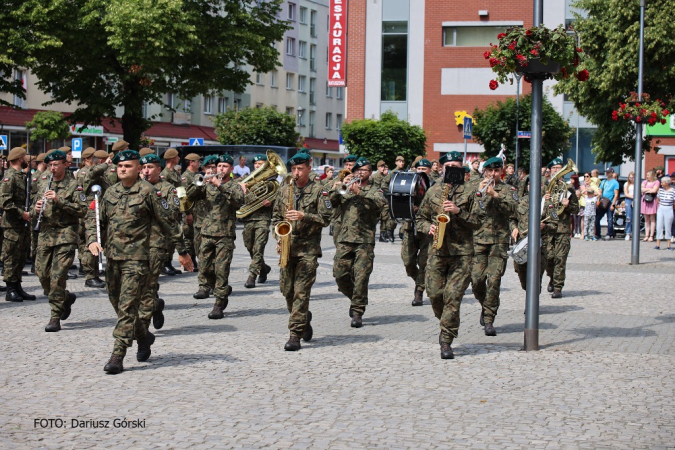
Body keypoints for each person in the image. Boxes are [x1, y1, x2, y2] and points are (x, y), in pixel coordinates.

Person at [86, 150, 193, 374]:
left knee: (126, 308)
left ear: (137, 169)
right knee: (117, 305)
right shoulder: (110, 193)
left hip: (138, 259)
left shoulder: (149, 192)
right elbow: (95, 220)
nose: (123, 169)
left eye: (128, 166)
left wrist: (182, 252)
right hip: (113, 258)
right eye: (120, 166)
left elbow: (169, 223)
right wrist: (92, 240)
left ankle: (117, 355)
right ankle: (144, 336)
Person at [416, 151, 480, 359]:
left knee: (452, 297)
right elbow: (420, 218)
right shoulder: (434, 191)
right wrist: (428, 228)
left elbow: (479, 220)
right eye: (449, 165)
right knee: (434, 294)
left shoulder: (470, 191)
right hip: (437, 251)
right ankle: (446, 321)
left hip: (462, 253)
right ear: (442, 168)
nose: (454, 168)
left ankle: (446, 340)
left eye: (457, 164)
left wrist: (459, 212)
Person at [273, 152, 332, 351]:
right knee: (287, 291)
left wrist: (304, 215)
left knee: (301, 293)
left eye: (300, 169)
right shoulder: (284, 189)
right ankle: (304, 319)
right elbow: (275, 217)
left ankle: (294, 335)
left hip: (308, 250)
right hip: (288, 248)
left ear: (309, 168)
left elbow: (326, 218)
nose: (296, 173)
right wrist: (279, 237)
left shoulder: (319, 190)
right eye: (294, 169)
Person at [186, 154, 246, 320]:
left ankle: (219, 303)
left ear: (231, 169)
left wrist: (219, 185)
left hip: (225, 234)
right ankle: (221, 290)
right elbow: (190, 196)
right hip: (206, 232)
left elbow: (239, 201)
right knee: (204, 268)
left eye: (225, 166)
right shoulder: (208, 184)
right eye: (219, 166)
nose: (220, 169)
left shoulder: (235, 185)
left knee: (221, 270)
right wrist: (201, 183)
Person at [33, 150, 88, 332]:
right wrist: (36, 207)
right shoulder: (43, 181)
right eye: (50, 165)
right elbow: (35, 203)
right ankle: (64, 297)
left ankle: (55, 316)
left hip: (65, 234)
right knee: (42, 274)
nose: (53, 168)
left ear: (65, 164)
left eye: (56, 164)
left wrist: (58, 200)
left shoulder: (74, 185)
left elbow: (81, 210)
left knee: (57, 277)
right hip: (46, 234)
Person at [329, 157, 386, 328]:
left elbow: (380, 204)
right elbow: (330, 202)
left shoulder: (375, 189)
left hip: (364, 240)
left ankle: (357, 311)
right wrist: (339, 186)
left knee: (361, 277)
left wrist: (359, 192)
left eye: (364, 170)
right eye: (357, 170)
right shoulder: (346, 186)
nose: (360, 173)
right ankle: (355, 299)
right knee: (340, 275)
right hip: (345, 238)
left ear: (370, 173)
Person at [470, 157, 517, 336]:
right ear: (484, 171)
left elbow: (515, 208)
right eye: (489, 171)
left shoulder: (507, 189)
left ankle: (489, 318)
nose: (492, 174)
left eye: (496, 171)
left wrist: (495, 195)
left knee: (494, 280)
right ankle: (485, 305)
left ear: (501, 172)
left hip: (499, 241)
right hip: (478, 239)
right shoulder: (474, 186)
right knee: (476, 280)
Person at [139, 153, 182, 331]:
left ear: (158, 169)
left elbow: (172, 213)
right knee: (141, 284)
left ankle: (142, 329)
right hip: (135, 244)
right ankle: (155, 305)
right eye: (143, 168)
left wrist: (149, 190)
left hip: (157, 243)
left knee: (148, 284)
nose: (146, 171)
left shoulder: (168, 189)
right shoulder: (135, 187)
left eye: (150, 167)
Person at [542, 158, 579, 298]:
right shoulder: (544, 188)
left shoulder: (568, 188)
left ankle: (558, 287)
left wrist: (568, 204)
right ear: (550, 170)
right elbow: (537, 209)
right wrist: (544, 200)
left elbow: (576, 209)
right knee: (548, 258)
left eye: (559, 168)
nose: (557, 171)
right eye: (554, 168)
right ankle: (551, 276)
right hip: (548, 228)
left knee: (560, 258)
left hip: (562, 229)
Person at [1, 147, 35, 301]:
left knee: (21, 256)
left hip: (22, 224)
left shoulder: (22, 176)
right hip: (12, 224)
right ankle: (10, 289)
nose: (27, 160)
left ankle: (17, 285)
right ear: (20, 159)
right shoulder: (10, 177)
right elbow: (5, 202)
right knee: (11, 256)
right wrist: (23, 213)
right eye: (25, 157)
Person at [401, 159, 433, 307]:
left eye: (424, 168)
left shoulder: (435, 185)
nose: (421, 171)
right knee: (408, 262)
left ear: (430, 170)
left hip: (427, 229)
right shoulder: (409, 183)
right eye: (418, 168)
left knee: (424, 263)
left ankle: (419, 291)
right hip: (409, 226)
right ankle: (421, 281)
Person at [510, 176, 546, 292]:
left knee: (535, 275)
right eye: (530, 184)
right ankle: (529, 294)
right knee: (521, 273)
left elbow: (554, 223)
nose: (533, 186)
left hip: (540, 244)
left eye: (537, 184)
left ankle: (531, 306)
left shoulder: (546, 202)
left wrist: (545, 226)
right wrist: (514, 228)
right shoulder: (520, 201)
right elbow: (512, 219)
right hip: (522, 242)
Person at [242, 154, 273, 289]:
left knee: (258, 248)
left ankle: (252, 276)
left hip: (263, 219)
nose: (258, 166)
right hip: (249, 218)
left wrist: (270, 202)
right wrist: (241, 188)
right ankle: (264, 267)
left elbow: (279, 199)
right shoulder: (245, 179)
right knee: (250, 248)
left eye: (261, 163)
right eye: (256, 164)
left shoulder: (271, 182)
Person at [191, 155, 219, 299]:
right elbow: (190, 196)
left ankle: (212, 285)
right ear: (203, 169)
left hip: (217, 228)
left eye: (214, 167)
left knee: (214, 259)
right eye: (208, 168)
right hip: (199, 225)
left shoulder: (222, 183)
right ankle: (203, 286)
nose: (211, 170)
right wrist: (201, 184)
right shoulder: (198, 180)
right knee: (201, 257)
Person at [161, 148, 183, 275]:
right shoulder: (165, 174)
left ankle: (169, 262)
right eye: (176, 156)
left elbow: (180, 190)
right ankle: (164, 263)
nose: (178, 158)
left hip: (177, 208)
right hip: (169, 209)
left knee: (174, 237)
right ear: (171, 159)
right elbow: (164, 193)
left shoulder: (175, 172)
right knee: (167, 238)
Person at [329, 154, 358, 246]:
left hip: (355, 220)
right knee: (339, 249)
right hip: (339, 220)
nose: (348, 167)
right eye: (346, 165)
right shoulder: (336, 180)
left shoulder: (359, 180)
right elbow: (326, 196)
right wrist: (335, 188)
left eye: (350, 165)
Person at [180, 153, 202, 267]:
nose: (199, 163)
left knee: (196, 237)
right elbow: (182, 197)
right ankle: (190, 261)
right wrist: (188, 213)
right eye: (197, 161)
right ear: (191, 162)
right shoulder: (185, 177)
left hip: (197, 211)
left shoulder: (196, 175)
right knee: (189, 238)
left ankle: (194, 260)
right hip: (190, 211)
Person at [594, 169, 619, 240]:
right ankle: (598, 234)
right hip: (603, 201)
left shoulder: (615, 183)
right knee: (597, 218)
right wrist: (597, 199)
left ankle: (609, 234)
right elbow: (600, 192)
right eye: (606, 172)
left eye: (609, 172)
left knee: (610, 219)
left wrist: (613, 204)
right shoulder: (604, 182)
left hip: (610, 201)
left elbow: (616, 195)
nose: (607, 173)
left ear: (612, 173)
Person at [655, 176, 674, 250]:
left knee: (668, 226)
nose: (661, 184)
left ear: (667, 183)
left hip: (669, 208)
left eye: (662, 182)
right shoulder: (660, 190)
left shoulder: (673, 191)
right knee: (659, 225)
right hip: (661, 208)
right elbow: (658, 199)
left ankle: (668, 245)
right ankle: (658, 244)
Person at [641, 170, 660, 242]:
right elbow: (641, 189)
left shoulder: (657, 182)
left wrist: (647, 190)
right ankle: (646, 235)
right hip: (645, 201)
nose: (647, 176)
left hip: (652, 200)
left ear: (652, 175)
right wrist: (650, 189)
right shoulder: (644, 182)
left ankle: (652, 235)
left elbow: (654, 190)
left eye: (648, 175)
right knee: (646, 219)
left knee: (652, 218)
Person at [624, 171, 635, 240]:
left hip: (636, 200)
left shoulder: (638, 184)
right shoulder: (626, 184)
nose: (631, 179)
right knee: (628, 217)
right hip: (628, 199)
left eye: (633, 178)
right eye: (630, 177)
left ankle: (635, 232)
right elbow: (626, 193)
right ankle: (628, 233)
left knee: (635, 217)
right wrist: (633, 197)